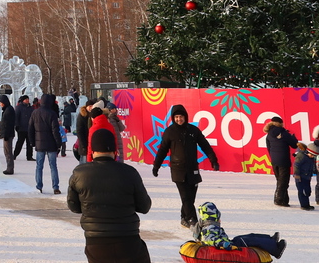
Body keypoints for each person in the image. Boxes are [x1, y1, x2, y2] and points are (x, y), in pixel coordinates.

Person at [67, 128, 151, 263]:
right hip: (128, 240)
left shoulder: (79, 174)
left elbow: (74, 207)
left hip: (95, 242)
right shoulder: (129, 172)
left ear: (92, 152)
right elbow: (145, 206)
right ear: (115, 151)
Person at [151, 104, 219, 228]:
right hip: (178, 170)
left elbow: (205, 145)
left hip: (192, 168)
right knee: (185, 196)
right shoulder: (169, 132)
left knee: (191, 196)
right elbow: (162, 150)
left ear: (185, 117)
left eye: (181, 116)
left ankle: (184, 218)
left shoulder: (193, 131)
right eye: (176, 117)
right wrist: (156, 166)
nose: (179, 119)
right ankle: (193, 220)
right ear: (173, 118)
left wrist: (213, 160)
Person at [192, 201, 287, 259]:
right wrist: (222, 244)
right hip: (226, 247)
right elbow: (210, 240)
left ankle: (270, 240)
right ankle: (276, 250)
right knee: (248, 240)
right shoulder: (209, 228)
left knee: (248, 236)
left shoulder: (209, 226)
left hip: (228, 244)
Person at [29, 92, 63, 194]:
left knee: (39, 166)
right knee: (53, 166)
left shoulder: (35, 113)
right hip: (51, 143)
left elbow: (30, 128)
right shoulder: (52, 113)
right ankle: (55, 186)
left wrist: (32, 142)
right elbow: (55, 130)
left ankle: (39, 186)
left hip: (39, 143)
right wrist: (58, 143)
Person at [263, 116, 298, 206]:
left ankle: (284, 200)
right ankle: (279, 199)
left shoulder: (269, 134)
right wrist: (293, 138)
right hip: (284, 160)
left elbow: (268, 148)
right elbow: (294, 145)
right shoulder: (283, 133)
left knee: (280, 180)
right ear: (280, 123)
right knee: (284, 181)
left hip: (274, 160)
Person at [293, 137, 316, 211]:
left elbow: (311, 167)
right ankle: (304, 205)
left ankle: (307, 204)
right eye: (312, 155)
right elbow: (296, 165)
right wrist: (297, 175)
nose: (312, 157)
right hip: (300, 177)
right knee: (302, 191)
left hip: (307, 176)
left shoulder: (310, 158)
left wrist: (310, 174)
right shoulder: (301, 156)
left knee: (307, 191)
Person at [0, 95, 18, 175]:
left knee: (8, 152)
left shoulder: (9, 110)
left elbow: (8, 124)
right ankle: (9, 167)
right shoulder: (7, 109)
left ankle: (10, 168)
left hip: (8, 134)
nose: (0, 104)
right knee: (7, 151)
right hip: (7, 133)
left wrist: (5, 134)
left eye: (0, 102)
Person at [13, 96, 35, 161]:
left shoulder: (31, 108)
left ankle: (29, 156)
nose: (27, 100)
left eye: (28, 99)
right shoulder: (19, 107)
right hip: (21, 128)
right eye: (26, 99)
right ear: (23, 100)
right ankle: (14, 155)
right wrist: (17, 125)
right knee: (20, 142)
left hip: (29, 128)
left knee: (30, 143)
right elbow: (16, 117)